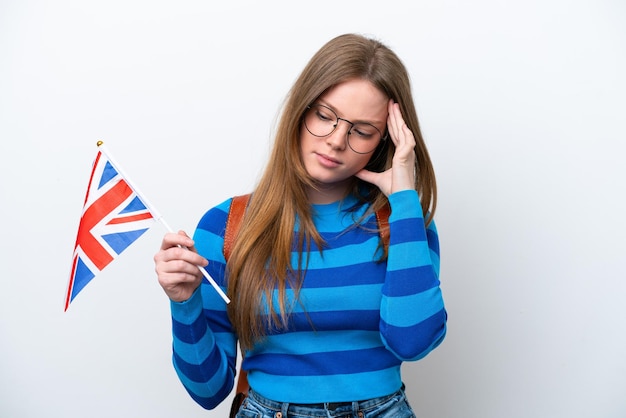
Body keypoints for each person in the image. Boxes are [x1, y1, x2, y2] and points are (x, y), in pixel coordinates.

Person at [154, 33, 447, 418]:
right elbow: (209, 390)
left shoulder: (404, 222)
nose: (336, 141)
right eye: (325, 116)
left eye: (361, 131)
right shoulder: (225, 227)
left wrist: (405, 200)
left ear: (385, 140)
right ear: (300, 110)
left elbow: (413, 342)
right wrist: (183, 302)